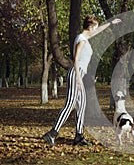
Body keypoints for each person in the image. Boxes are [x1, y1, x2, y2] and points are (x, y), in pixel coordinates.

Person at [43, 15, 122, 146]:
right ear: (90, 27)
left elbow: (97, 31)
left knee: (82, 105)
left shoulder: (84, 37)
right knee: (70, 105)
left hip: (80, 74)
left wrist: (110, 23)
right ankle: (52, 133)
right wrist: (79, 79)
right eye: (94, 28)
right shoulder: (82, 40)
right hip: (76, 73)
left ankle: (79, 136)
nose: (95, 31)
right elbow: (76, 59)